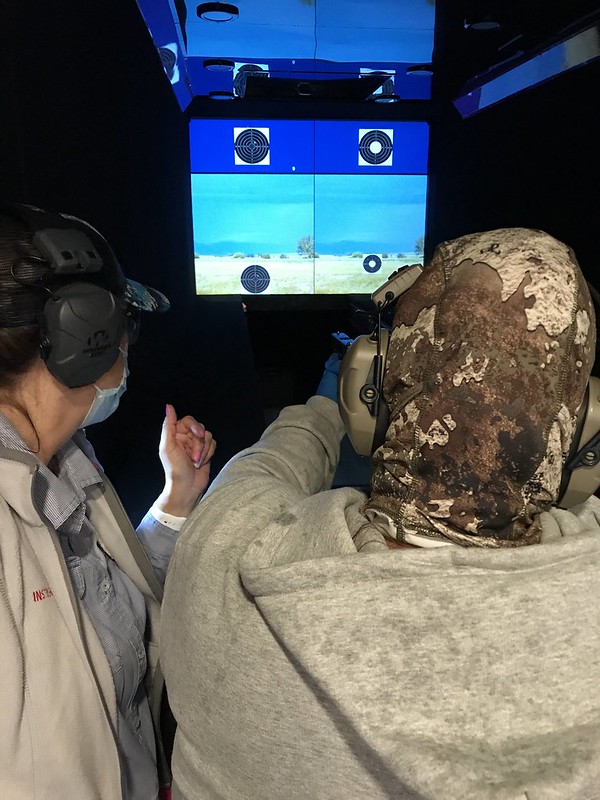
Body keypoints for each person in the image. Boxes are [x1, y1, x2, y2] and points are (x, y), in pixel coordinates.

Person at [161, 227, 600, 800]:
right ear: (581, 425)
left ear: (374, 396)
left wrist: (328, 405)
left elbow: (270, 465)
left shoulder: (225, 545)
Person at [0, 204, 215, 800]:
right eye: (125, 326)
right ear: (84, 339)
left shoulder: (66, 461)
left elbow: (104, 608)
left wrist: (175, 499)